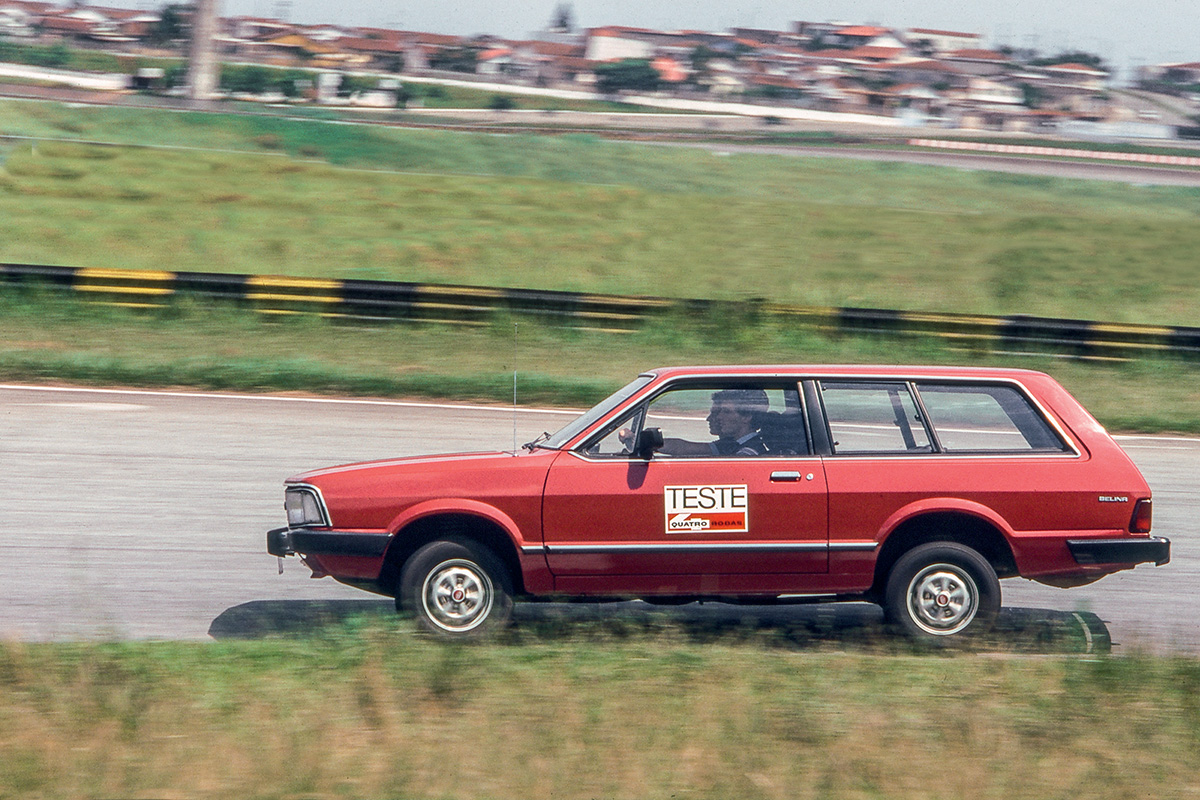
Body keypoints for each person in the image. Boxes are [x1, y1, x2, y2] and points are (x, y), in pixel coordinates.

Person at [658, 388, 769, 457]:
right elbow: (682, 448)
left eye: (726, 412)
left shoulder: (749, 452)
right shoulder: (731, 444)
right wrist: (650, 443)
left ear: (746, 417)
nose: (719, 416)